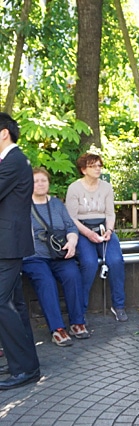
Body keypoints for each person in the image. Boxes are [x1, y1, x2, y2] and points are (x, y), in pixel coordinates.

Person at [22, 168, 89, 346]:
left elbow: (71, 226)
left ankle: (77, 321)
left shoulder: (57, 204)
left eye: (44, 180)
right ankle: (57, 328)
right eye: (36, 181)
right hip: (34, 256)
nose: (41, 184)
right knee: (46, 281)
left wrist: (72, 242)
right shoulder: (22, 205)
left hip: (59, 253)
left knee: (72, 275)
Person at [0, 112, 41, 390]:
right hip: (7, 242)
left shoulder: (14, 161)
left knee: (2, 303)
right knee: (13, 302)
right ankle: (24, 363)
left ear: (4, 133)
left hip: (8, 243)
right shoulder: (12, 160)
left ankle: (25, 367)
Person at [66, 152, 128, 322]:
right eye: (93, 166)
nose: (98, 169)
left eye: (99, 165)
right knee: (89, 263)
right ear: (84, 169)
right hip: (82, 229)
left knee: (116, 261)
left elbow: (110, 213)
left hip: (102, 227)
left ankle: (118, 305)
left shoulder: (106, 187)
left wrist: (109, 230)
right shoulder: (74, 188)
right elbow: (71, 218)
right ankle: (80, 309)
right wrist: (88, 233)